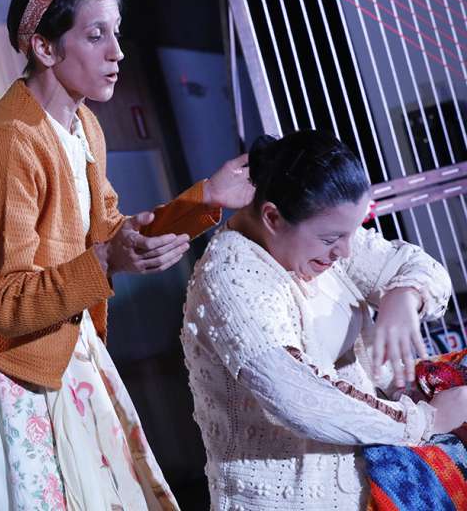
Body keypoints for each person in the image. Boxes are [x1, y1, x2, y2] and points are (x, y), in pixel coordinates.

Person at [0, 0, 254, 510]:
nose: (118, 52)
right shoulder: (10, 143)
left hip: (61, 344)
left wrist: (204, 200)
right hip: (10, 364)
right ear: (44, 47)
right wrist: (107, 260)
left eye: (116, 33)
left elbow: (107, 230)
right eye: (95, 34)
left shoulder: (81, 125)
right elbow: (3, 306)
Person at [181, 129, 467, 510]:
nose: (345, 251)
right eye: (332, 238)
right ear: (273, 217)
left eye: (352, 232)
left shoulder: (327, 242)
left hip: (369, 481)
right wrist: (424, 421)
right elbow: (299, 397)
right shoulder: (230, 277)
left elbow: (414, 266)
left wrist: (405, 294)